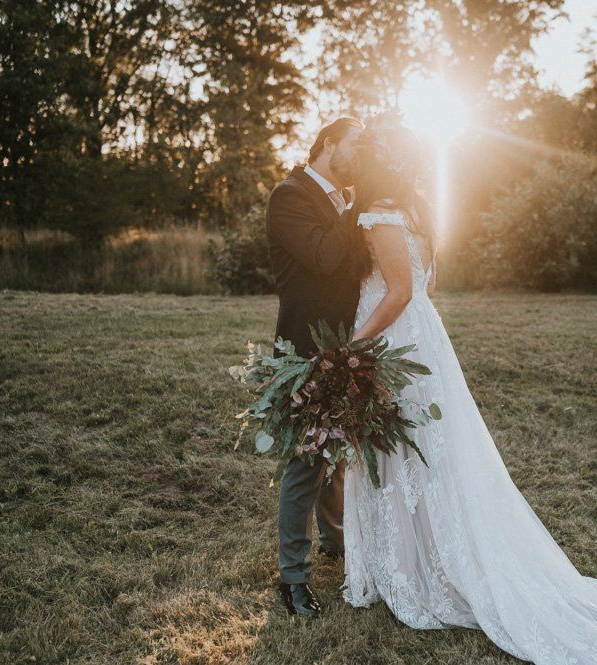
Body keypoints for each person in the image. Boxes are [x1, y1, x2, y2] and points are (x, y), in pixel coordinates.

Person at [341, 115, 597, 664]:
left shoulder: (382, 214)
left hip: (394, 338)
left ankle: (414, 575)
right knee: (422, 454)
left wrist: (351, 346)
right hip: (424, 338)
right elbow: (429, 283)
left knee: (403, 451)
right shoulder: (416, 208)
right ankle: (419, 560)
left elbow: (401, 291)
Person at [264, 116, 364, 618]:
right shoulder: (290, 194)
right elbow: (324, 257)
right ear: (329, 146)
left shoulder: (342, 200)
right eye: (356, 146)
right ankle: (292, 579)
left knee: (336, 452)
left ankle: (335, 541)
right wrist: (360, 205)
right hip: (306, 346)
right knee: (306, 461)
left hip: (344, 342)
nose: (362, 157)